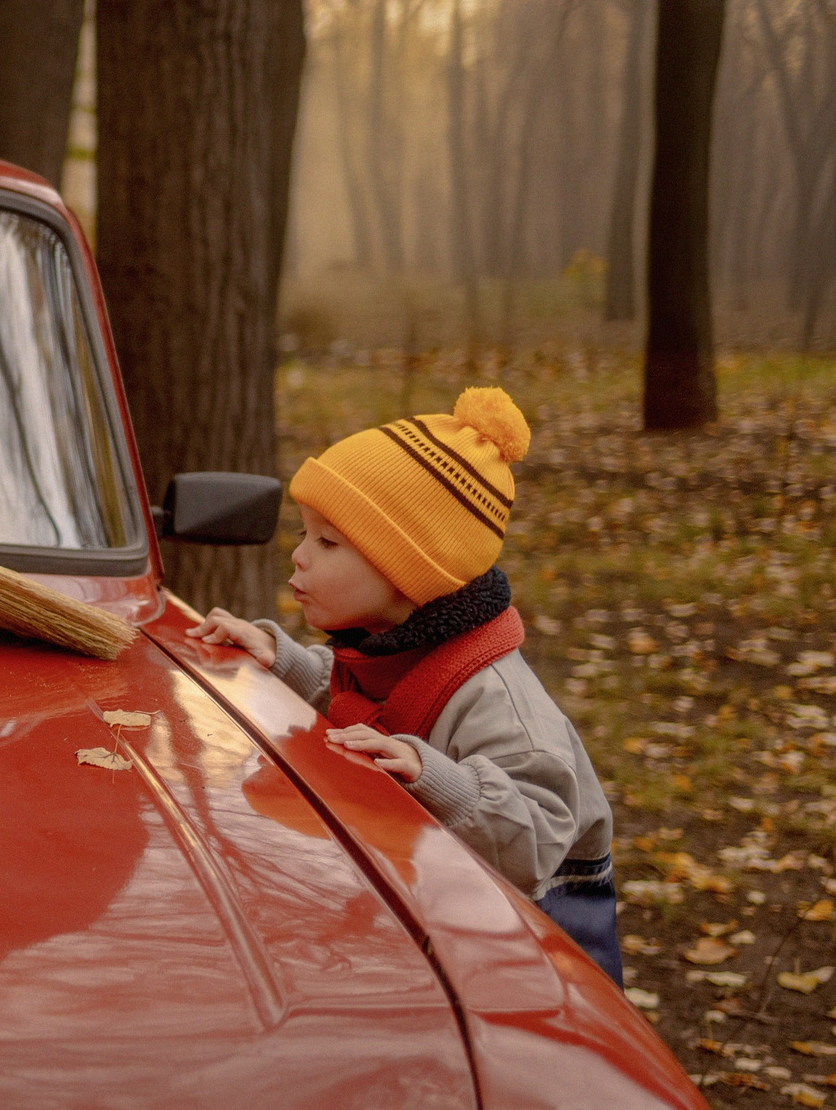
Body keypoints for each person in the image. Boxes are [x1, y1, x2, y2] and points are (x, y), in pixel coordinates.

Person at [191, 388, 621, 983]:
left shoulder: (499, 701)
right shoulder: (392, 640)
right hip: (444, 904)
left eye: (328, 542)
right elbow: (362, 696)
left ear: (408, 572)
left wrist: (432, 775)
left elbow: (538, 833)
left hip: (538, 944)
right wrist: (282, 659)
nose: (297, 558)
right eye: (304, 533)